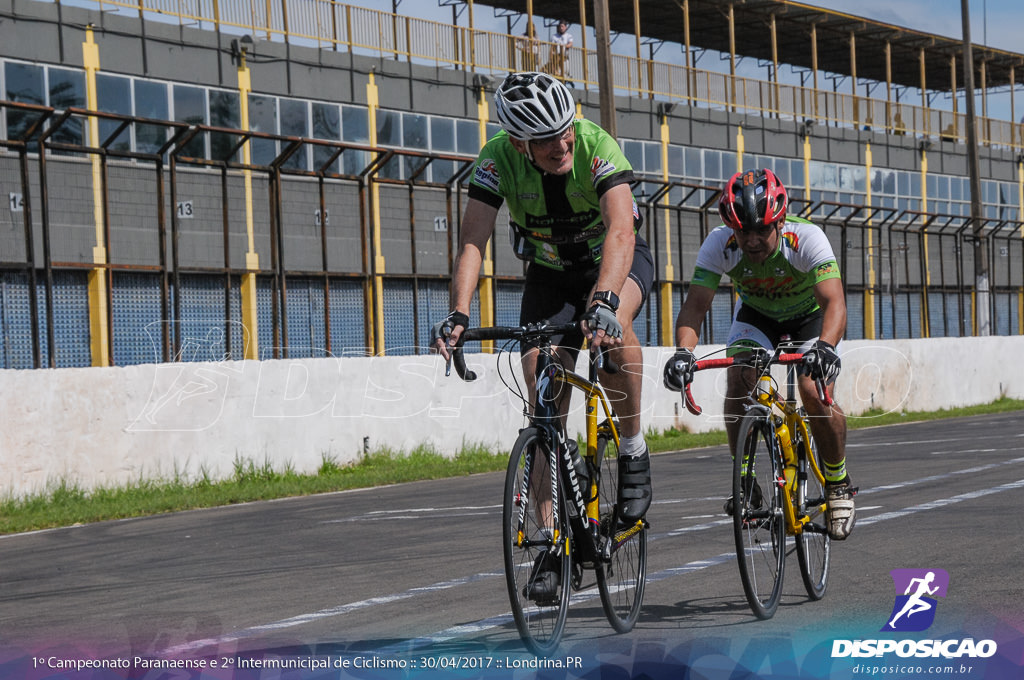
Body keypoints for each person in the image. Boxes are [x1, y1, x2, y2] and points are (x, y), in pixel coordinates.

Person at [431, 72, 654, 597]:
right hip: (551, 275)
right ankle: (554, 544)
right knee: (542, 397)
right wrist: (459, 314)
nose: (562, 144)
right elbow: (472, 242)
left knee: (613, 332)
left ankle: (635, 451)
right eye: (547, 139)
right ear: (517, 143)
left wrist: (603, 302)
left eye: (564, 130)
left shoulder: (595, 144)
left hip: (614, 262)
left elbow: (622, 231)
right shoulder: (495, 159)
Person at [662, 168, 856, 541]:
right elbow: (695, 307)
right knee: (740, 378)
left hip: (810, 320)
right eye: (742, 231)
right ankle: (745, 477)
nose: (751, 240)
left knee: (814, 391)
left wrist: (826, 348)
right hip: (758, 317)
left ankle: (837, 483)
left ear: (780, 221)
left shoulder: (806, 239)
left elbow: (835, 302)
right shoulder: (719, 244)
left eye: (761, 231)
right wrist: (683, 353)